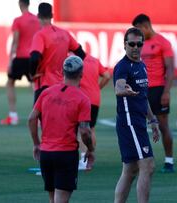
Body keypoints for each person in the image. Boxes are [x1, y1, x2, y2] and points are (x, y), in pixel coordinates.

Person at [28, 56, 95, 203]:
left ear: (62, 72)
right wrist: (90, 149)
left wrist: (36, 143)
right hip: (66, 154)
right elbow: (84, 131)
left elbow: (32, 118)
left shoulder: (46, 93)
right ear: (81, 74)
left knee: (53, 199)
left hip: (46, 154)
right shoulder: (82, 99)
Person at [113, 27, 160, 203]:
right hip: (129, 122)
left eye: (139, 44)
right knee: (148, 165)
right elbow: (119, 87)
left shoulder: (141, 65)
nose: (135, 47)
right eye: (131, 44)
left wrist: (153, 120)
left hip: (138, 122)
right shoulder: (123, 66)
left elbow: (143, 96)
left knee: (130, 169)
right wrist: (124, 90)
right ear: (125, 45)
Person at [132, 14, 175, 173]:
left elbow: (170, 68)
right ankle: (141, 160)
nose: (138, 33)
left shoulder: (163, 42)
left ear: (146, 26)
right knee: (138, 126)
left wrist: (166, 92)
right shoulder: (138, 43)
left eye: (139, 29)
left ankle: (169, 161)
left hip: (158, 89)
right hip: (140, 89)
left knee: (163, 126)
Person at [30, 2, 86, 103]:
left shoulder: (40, 35)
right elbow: (81, 54)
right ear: (52, 16)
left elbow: (34, 57)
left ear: (38, 16)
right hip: (63, 85)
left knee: (39, 117)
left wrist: (32, 73)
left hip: (44, 84)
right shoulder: (65, 34)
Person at [0, 0, 40, 125]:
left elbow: (15, 42)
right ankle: (40, 117)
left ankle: (13, 116)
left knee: (10, 83)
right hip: (33, 57)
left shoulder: (18, 20)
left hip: (21, 57)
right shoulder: (37, 20)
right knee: (35, 86)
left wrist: (10, 61)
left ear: (20, 5)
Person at [78, 55, 111, 170]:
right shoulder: (94, 60)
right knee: (91, 128)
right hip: (94, 99)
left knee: (81, 129)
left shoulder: (73, 60)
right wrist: (97, 88)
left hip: (81, 98)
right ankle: (90, 157)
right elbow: (107, 75)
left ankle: (83, 160)